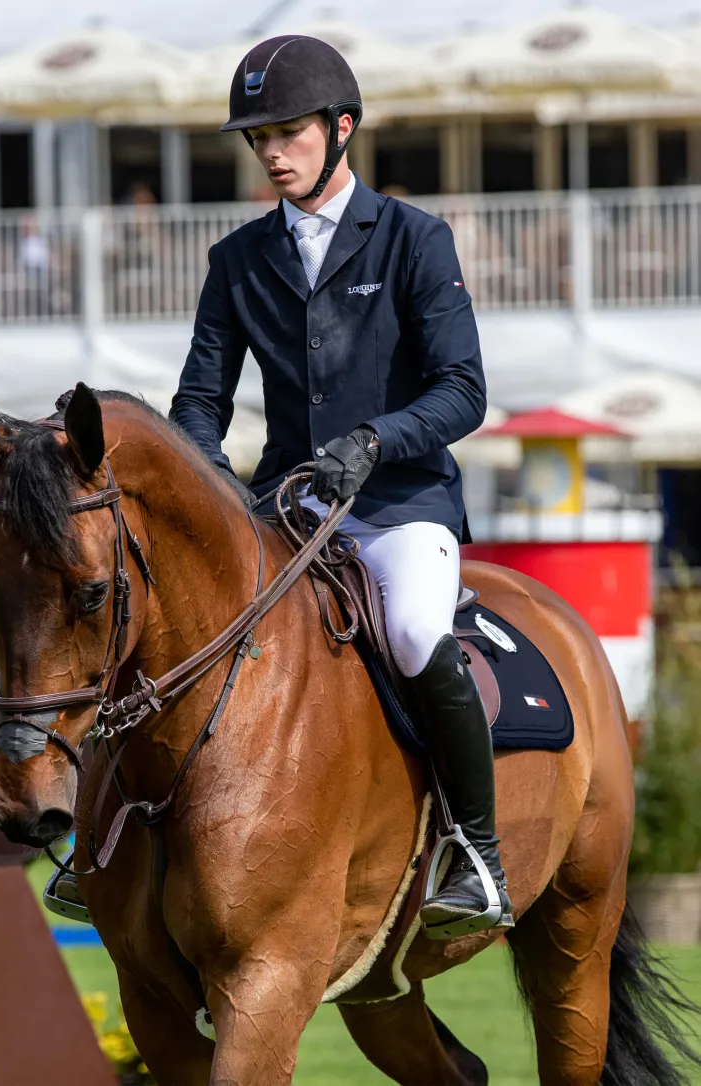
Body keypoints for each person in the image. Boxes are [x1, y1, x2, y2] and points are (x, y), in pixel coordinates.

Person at [168, 35, 514, 934]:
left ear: (342, 127)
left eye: (289, 133)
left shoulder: (414, 239)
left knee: (413, 631)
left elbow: (464, 391)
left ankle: (477, 853)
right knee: (167, 623)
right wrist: (210, 482)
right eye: (260, 138)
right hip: (286, 511)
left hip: (399, 506)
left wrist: (375, 439)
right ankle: (117, 846)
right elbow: (199, 401)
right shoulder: (237, 261)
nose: (273, 153)